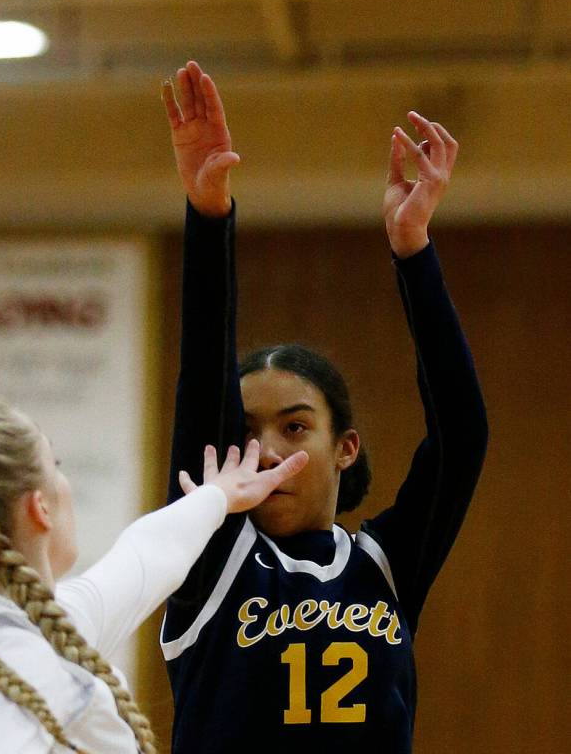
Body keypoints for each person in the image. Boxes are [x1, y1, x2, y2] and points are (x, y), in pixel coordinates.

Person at [160, 61, 488, 753]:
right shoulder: (211, 555)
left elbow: (462, 435)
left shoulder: (384, 566)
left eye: (296, 426)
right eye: (249, 432)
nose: (270, 450)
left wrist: (412, 249)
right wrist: (209, 213)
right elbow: (199, 385)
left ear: (347, 447)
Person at [0, 397, 307, 754]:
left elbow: (144, 557)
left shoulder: (29, 624)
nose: (65, 480)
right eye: (56, 463)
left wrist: (218, 497)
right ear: (40, 507)